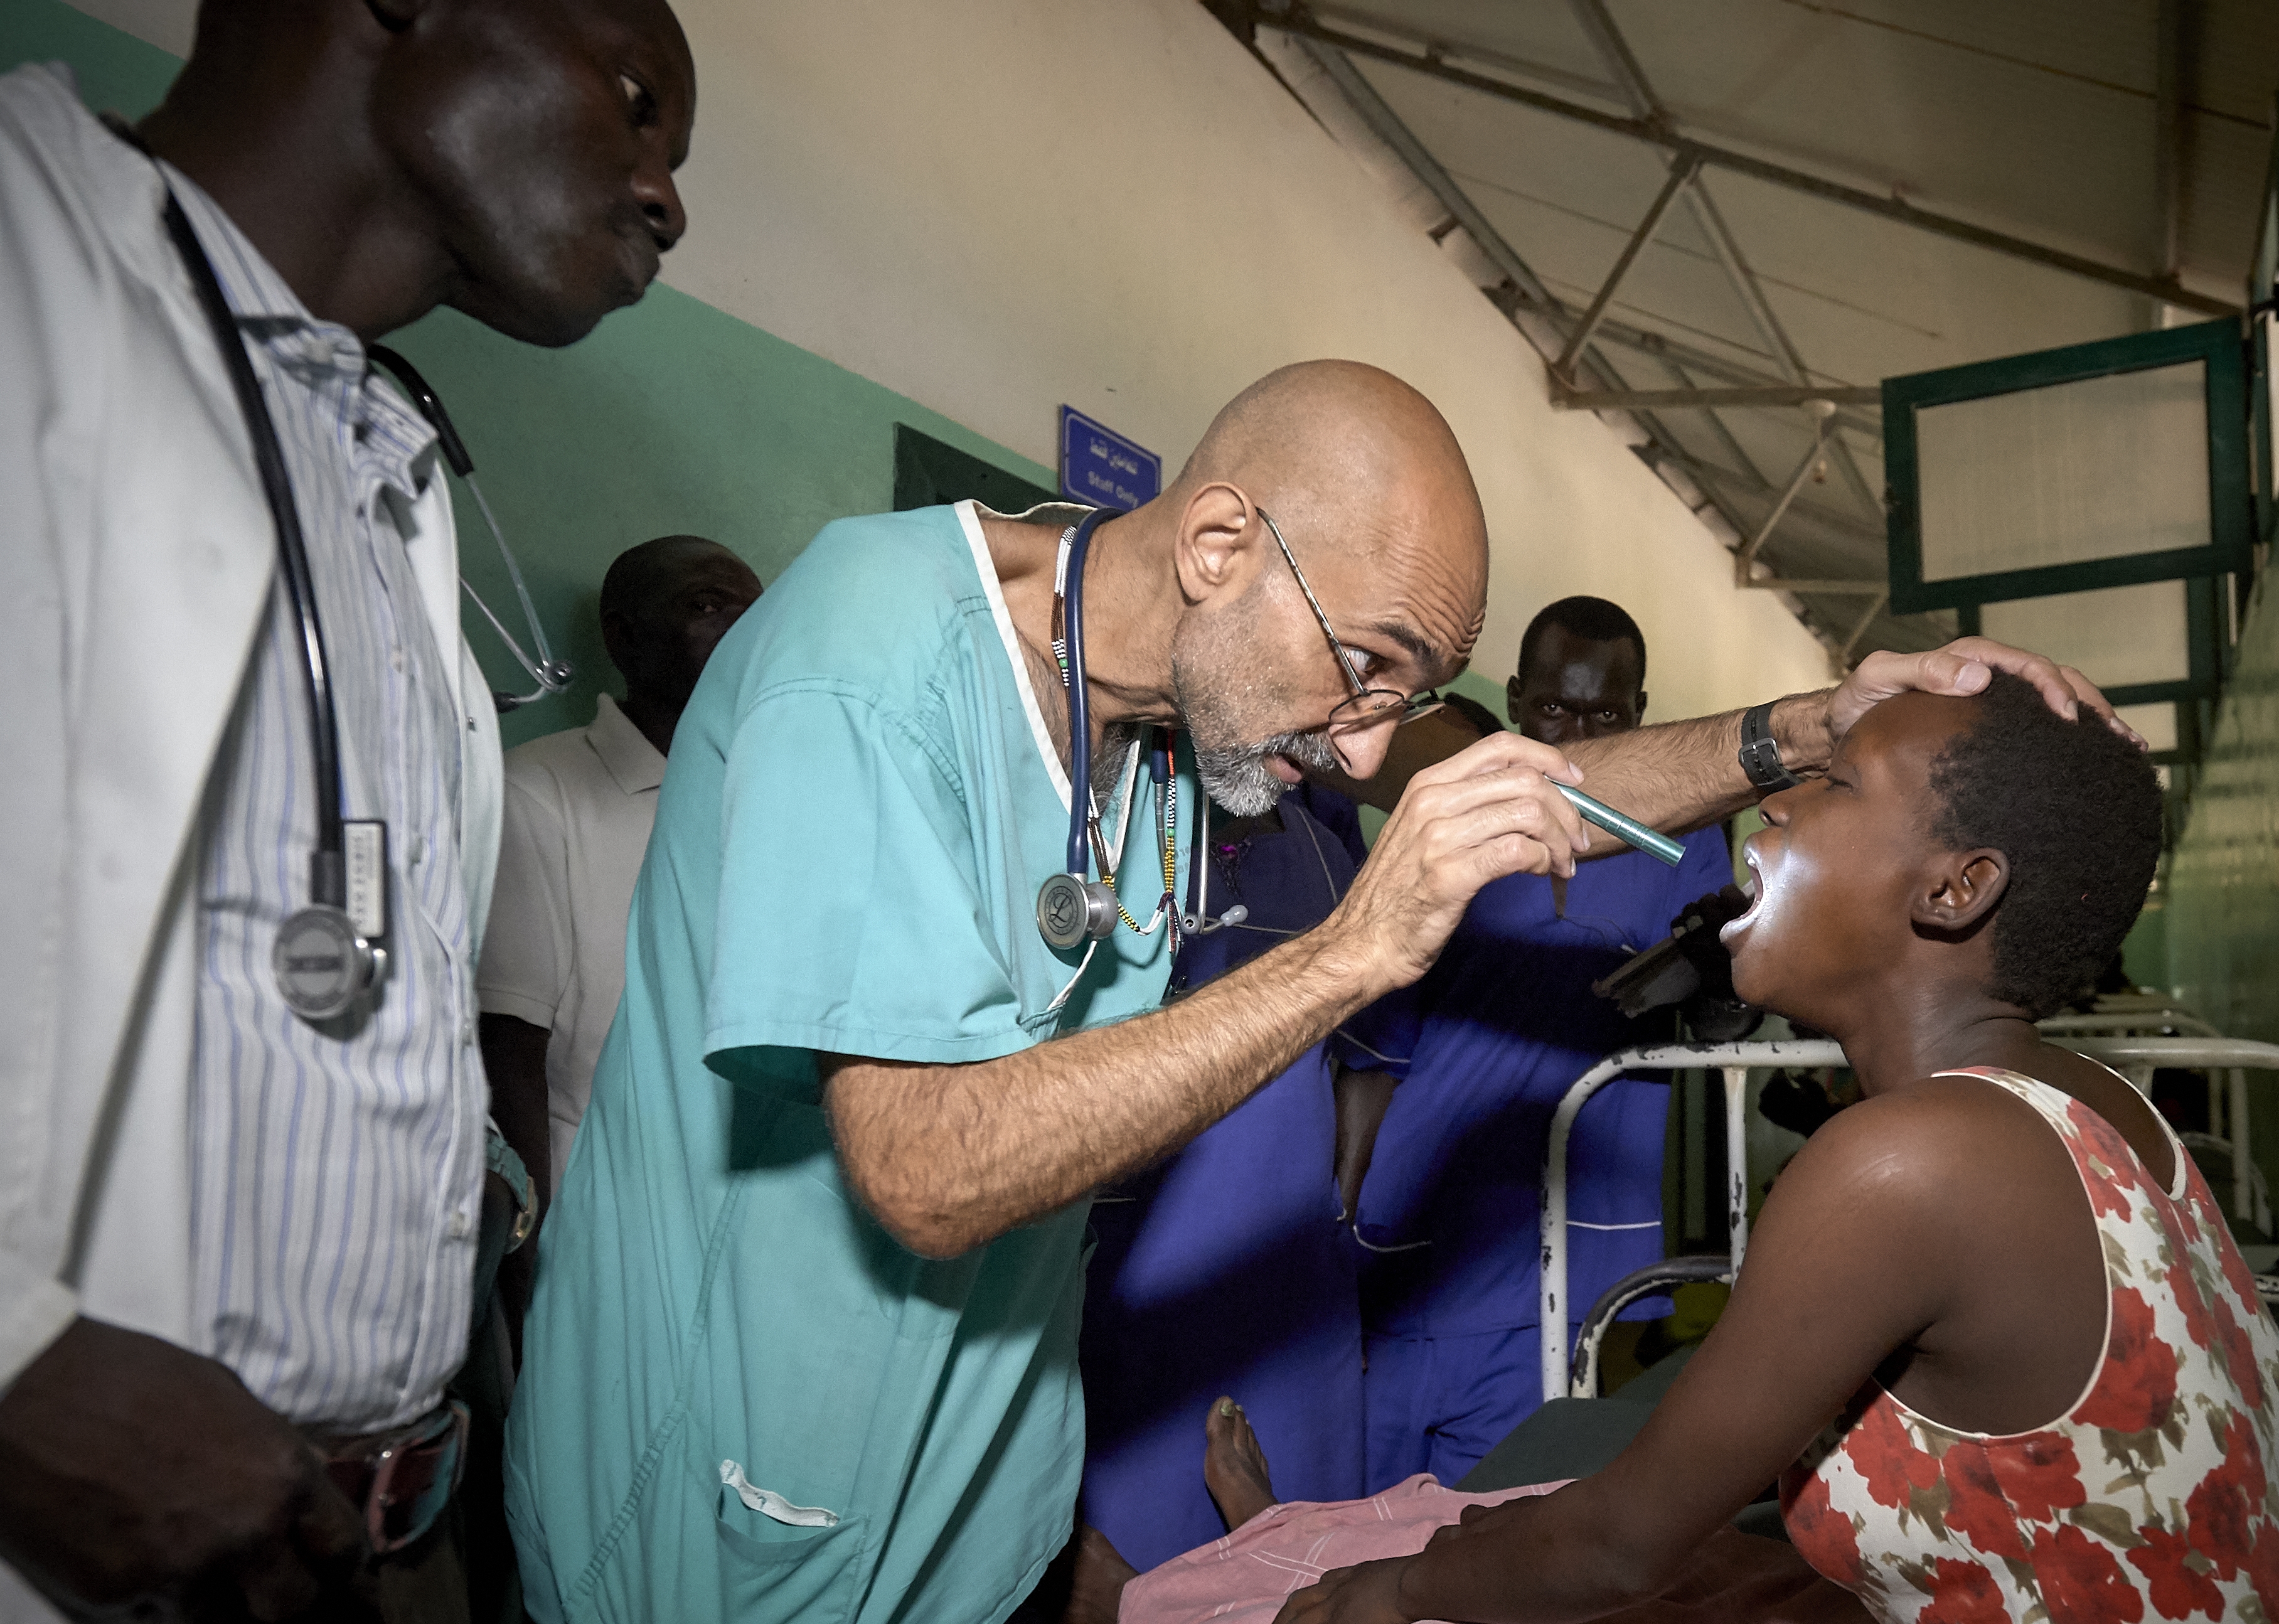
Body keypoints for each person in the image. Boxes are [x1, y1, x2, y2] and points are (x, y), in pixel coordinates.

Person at [503, 355, 2114, 1624]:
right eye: (1368, 671)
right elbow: (921, 1169)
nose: (1361, 749)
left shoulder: (1171, 683)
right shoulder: (868, 672)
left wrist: (1801, 727)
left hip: (971, 1492)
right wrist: (1350, 947)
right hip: (742, 1498)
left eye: (1400, 693)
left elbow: (1515, 786)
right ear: (1218, 546)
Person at [0, 0, 694, 1616]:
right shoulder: (33, 276)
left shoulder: (379, 474)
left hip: (364, 1538)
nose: (667, 197)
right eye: (638, 101)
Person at [1274, 673, 2279, 1622]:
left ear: (1955, 888)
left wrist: (1386, 1591)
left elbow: (1616, 1546)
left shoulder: (1907, 1164)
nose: (1780, 807)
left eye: (1836, 785)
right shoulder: (2096, 1104)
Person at [1351, 597, 1733, 1488]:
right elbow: (1379, 1039)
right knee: (1357, 1515)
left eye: (1607, 714)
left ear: (1641, 714)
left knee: (1494, 1513)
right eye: (1557, 709)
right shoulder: (1453, 812)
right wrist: (1347, 1210)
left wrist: (1713, 969)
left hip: (1572, 1220)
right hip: (1423, 1206)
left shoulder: (1685, 833)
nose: (1579, 733)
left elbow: (1725, 996)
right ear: (1519, 699)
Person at [1077, 781, 1411, 1575]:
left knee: (1307, 1569)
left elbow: (1369, 1050)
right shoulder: (1111, 838)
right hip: (1139, 1288)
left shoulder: (1326, 862)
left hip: (1295, 1297)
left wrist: (1336, 1197)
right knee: (1138, 1573)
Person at [480, 535, 764, 1209]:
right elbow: (509, 1057)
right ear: (622, 638)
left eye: (758, 612)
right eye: (706, 604)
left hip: (737, 1220)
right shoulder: (538, 793)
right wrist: (528, 1270)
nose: (743, 631)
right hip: (590, 1215)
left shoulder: (768, 802)